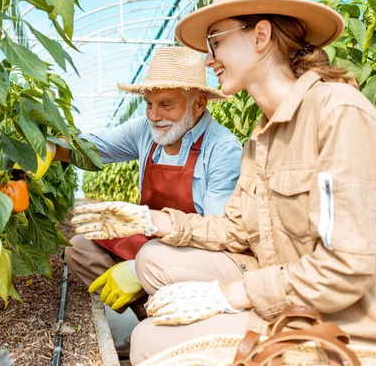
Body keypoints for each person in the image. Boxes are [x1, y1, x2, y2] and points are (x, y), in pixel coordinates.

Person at [70, 0, 376, 364]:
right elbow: (236, 228)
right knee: (152, 280)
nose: (209, 57)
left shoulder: (337, 113)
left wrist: (226, 295)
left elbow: (346, 268)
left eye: (215, 42)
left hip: (345, 330)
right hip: (289, 302)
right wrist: (151, 221)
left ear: (261, 36)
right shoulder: (264, 134)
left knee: (151, 343)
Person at [59, 47, 242, 334]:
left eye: (166, 104)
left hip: (196, 252)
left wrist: (138, 270)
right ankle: (152, 314)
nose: (154, 115)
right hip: (155, 241)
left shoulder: (222, 148)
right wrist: (43, 145)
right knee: (81, 248)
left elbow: (219, 234)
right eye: (149, 104)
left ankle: (181, 318)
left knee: (150, 259)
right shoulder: (146, 131)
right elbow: (94, 146)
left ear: (199, 104)